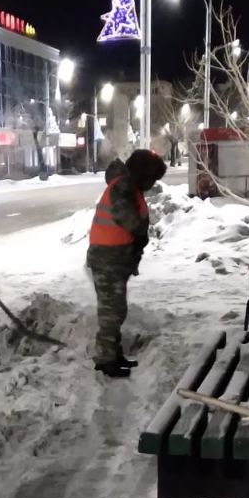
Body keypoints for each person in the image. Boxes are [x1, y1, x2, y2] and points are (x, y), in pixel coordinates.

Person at [87, 149, 168, 378]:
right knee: (111, 312)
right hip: (107, 259)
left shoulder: (128, 186)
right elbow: (130, 220)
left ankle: (114, 354)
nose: (152, 184)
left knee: (116, 309)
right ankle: (105, 360)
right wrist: (141, 231)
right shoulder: (123, 188)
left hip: (115, 258)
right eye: (151, 179)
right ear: (143, 175)